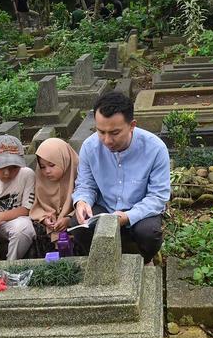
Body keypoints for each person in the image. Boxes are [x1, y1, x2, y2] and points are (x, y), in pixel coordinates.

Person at [71, 91, 170, 263]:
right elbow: (86, 185)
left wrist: (129, 216)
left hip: (139, 208)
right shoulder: (89, 147)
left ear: (132, 125)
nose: (107, 140)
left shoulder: (155, 149)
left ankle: (143, 261)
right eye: (101, 131)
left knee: (149, 233)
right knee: (77, 225)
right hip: (104, 206)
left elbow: (157, 197)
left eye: (115, 133)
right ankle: (102, 262)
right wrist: (82, 201)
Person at [28, 137, 79, 257]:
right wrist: (45, 218)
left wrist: (68, 219)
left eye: (51, 165)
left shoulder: (80, 174)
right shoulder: (41, 180)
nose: (47, 171)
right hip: (51, 226)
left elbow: (88, 203)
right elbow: (38, 205)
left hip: (74, 220)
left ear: (64, 160)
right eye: (42, 167)